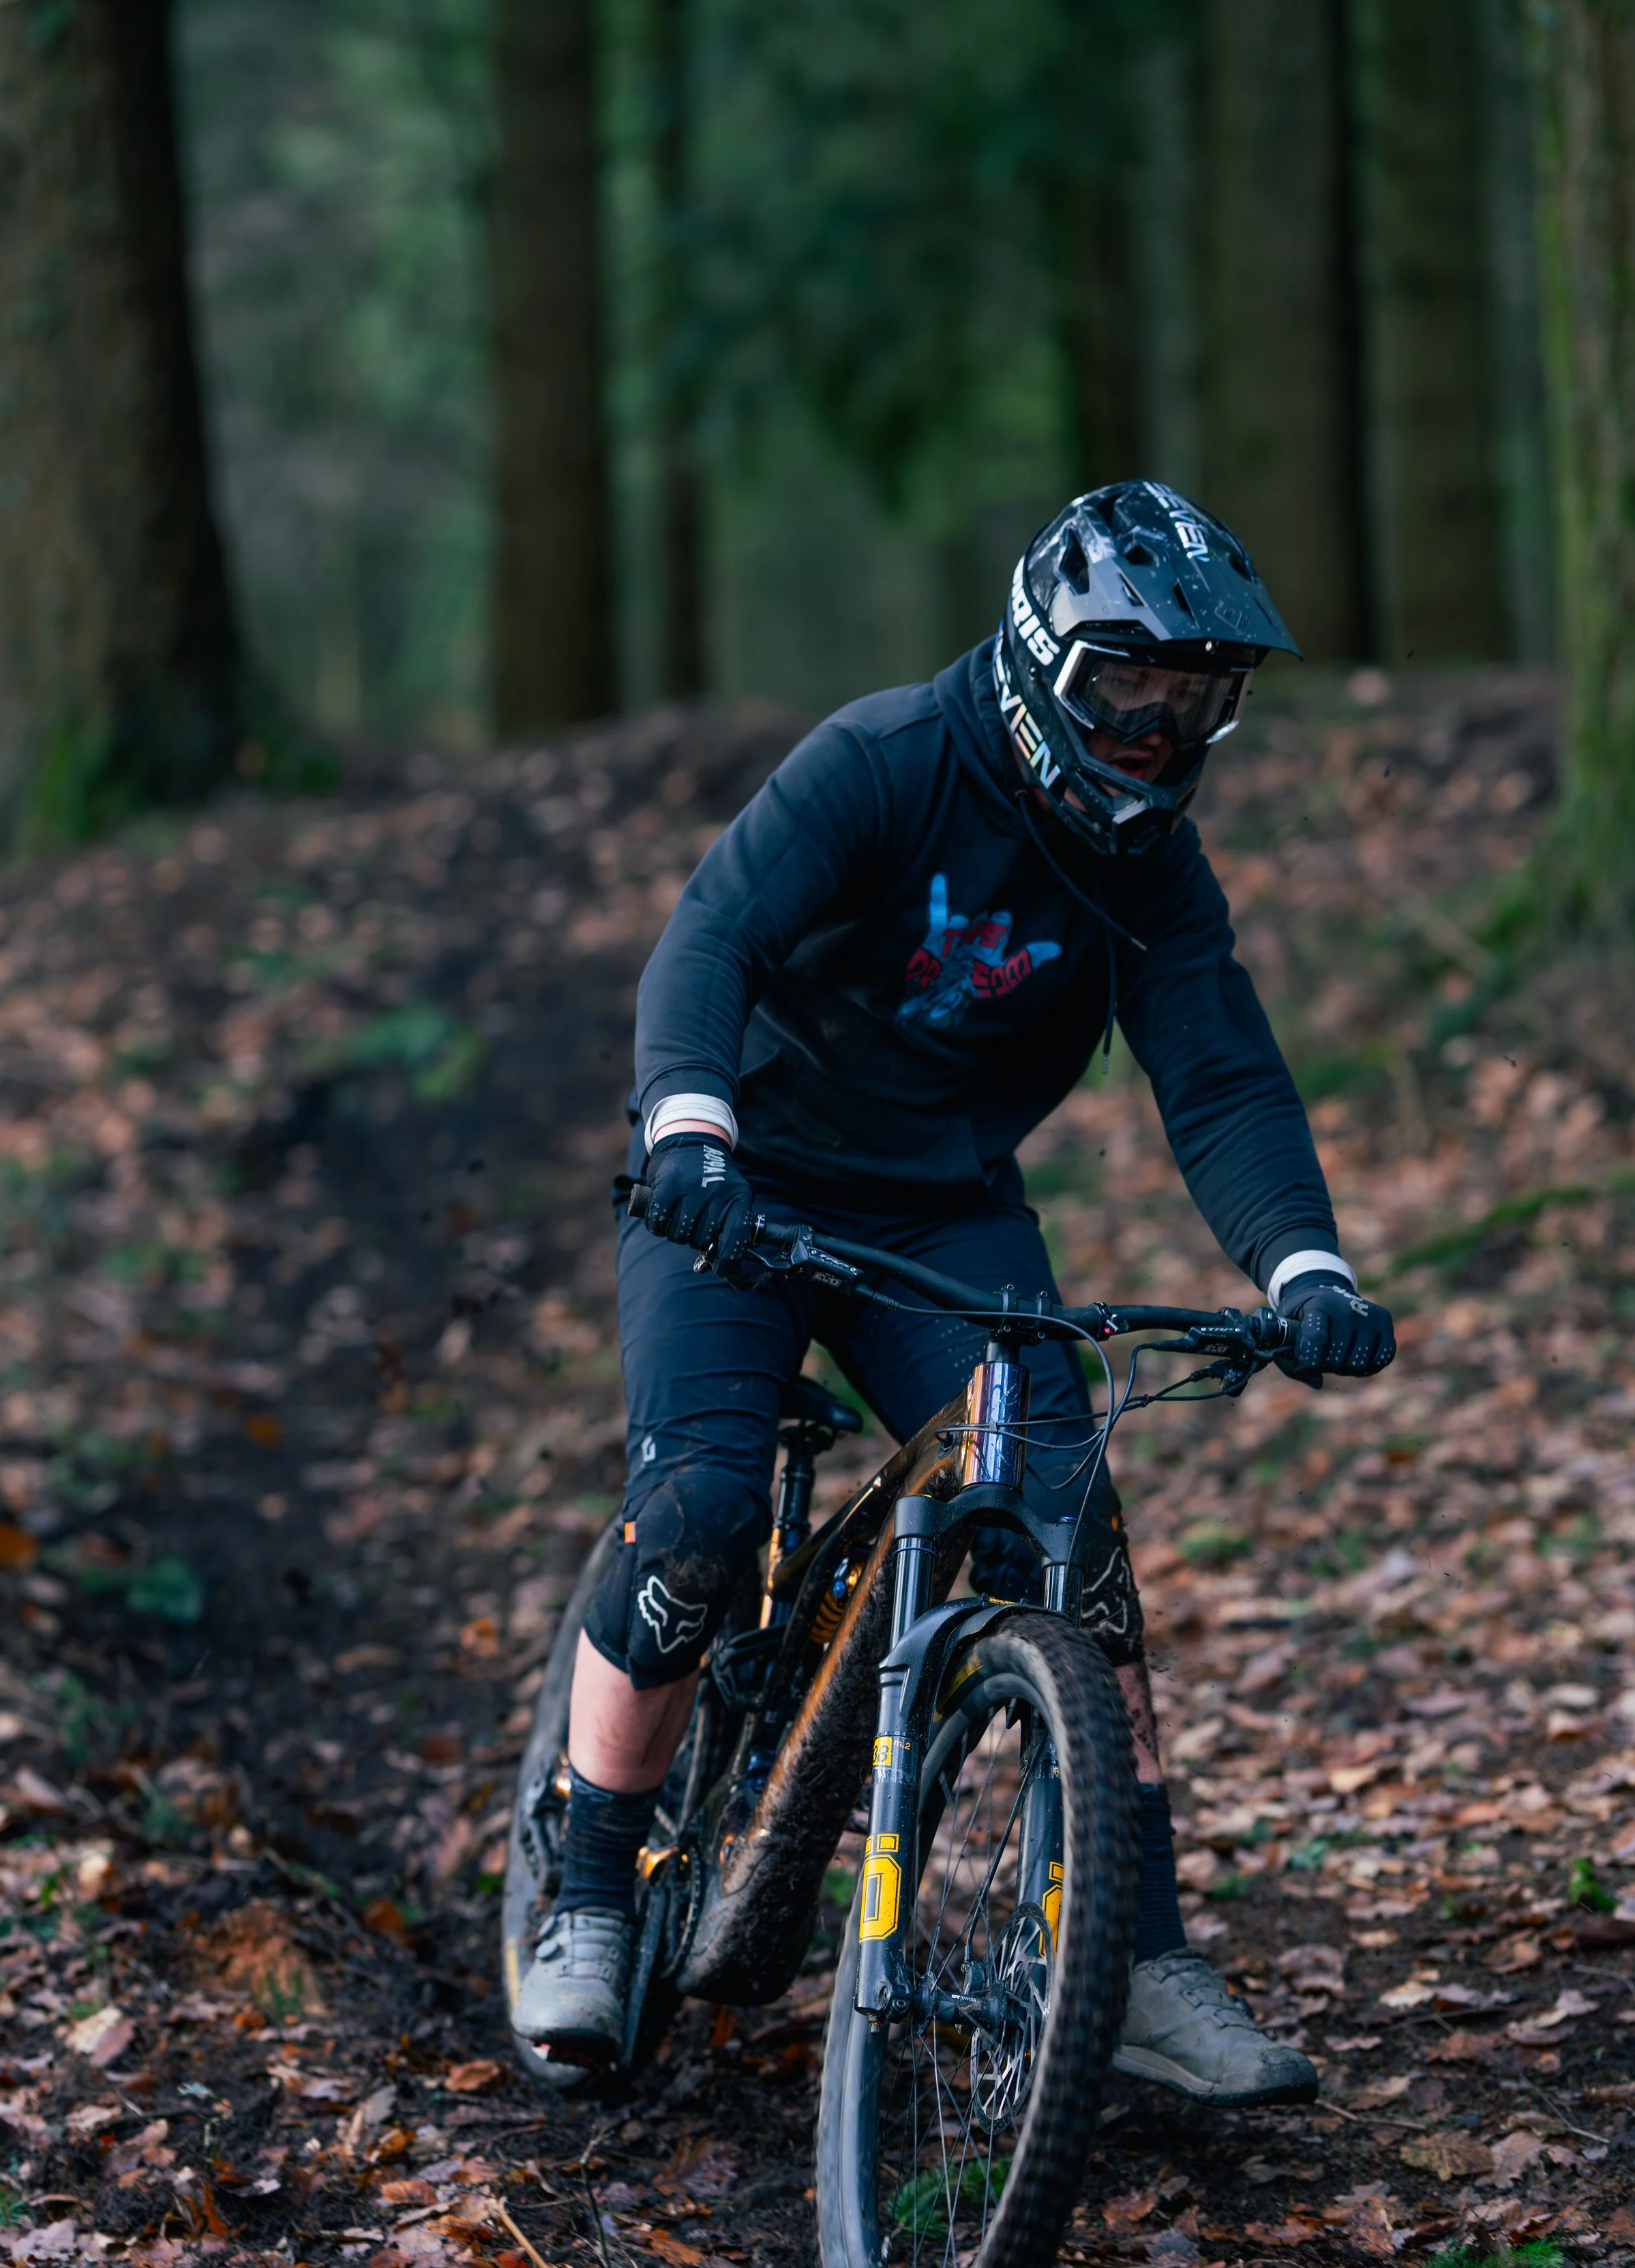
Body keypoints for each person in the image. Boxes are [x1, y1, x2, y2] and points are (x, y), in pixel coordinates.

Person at [513, 479, 1395, 2098]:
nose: (1153, 733)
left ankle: (1132, 1963)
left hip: (939, 1214)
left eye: (1190, 704)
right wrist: (691, 1126)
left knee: (1073, 1537)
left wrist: (1303, 1264)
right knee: (704, 1504)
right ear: (1042, 666)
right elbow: (704, 943)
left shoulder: (1148, 868)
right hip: (738, 1186)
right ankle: (586, 1888)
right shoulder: (886, 761)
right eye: (1127, 694)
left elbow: (1216, 1071)